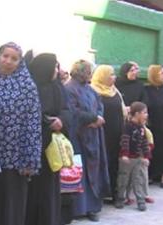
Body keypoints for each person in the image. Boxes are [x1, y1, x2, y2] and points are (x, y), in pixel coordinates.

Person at [0, 42, 42, 225]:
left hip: (16, 157)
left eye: (14, 58)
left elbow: (33, 124)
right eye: (5, 56)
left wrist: (30, 159)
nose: (8, 61)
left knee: (12, 205)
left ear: (20, 62)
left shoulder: (27, 86)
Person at [25, 53, 70, 225]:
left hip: (52, 149)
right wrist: (46, 121)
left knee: (49, 191)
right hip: (34, 146)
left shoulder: (57, 88)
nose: (56, 71)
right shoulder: (30, 87)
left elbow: (67, 110)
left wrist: (61, 121)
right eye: (54, 67)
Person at [64, 60, 110, 222]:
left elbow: (99, 105)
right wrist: (91, 119)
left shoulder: (90, 89)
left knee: (93, 171)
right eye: (89, 71)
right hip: (77, 137)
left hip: (93, 136)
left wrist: (98, 117)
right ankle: (78, 208)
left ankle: (92, 207)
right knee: (79, 171)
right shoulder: (68, 88)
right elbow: (72, 111)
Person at [90, 65, 125, 202]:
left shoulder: (114, 91)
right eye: (110, 75)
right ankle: (100, 193)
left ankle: (114, 192)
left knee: (115, 162)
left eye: (114, 74)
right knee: (101, 162)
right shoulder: (93, 90)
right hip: (101, 132)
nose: (114, 77)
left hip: (116, 133)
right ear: (102, 76)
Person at [114, 101, 151, 211]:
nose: (146, 115)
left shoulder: (141, 128)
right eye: (144, 112)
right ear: (136, 114)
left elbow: (145, 143)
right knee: (123, 179)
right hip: (127, 159)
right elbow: (125, 140)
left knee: (137, 179)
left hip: (137, 158)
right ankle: (120, 198)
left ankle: (140, 200)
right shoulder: (128, 126)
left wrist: (146, 156)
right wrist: (125, 154)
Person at [145, 65, 163, 188]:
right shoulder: (146, 90)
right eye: (161, 73)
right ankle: (151, 175)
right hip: (151, 125)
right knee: (151, 149)